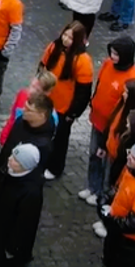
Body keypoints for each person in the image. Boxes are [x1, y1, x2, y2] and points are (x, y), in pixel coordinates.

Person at [85, 38, 135, 205]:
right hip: (98, 120)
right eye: (111, 52)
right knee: (93, 155)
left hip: (113, 128)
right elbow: (100, 83)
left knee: (107, 163)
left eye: (116, 54)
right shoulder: (107, 64)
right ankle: (92, 187)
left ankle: (102, 194)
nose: (112, 57)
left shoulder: (134, 77)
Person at [0, 142, 45, 267]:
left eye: (15, 159)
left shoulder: (31, 193)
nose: (9, 159)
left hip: (8, 236)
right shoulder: (11, 172)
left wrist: (11, 248)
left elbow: (25, 224)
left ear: (25, 166)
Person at [39, 21, 94, 180]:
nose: (66, 39)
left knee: (59, 140)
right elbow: (42, 67)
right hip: (47, 101)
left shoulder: (83, 61)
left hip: (64, 108)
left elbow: (83, 91)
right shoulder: (53, 47)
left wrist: (73, 113)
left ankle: (55, 167)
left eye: (70, 37)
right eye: (65, 34)